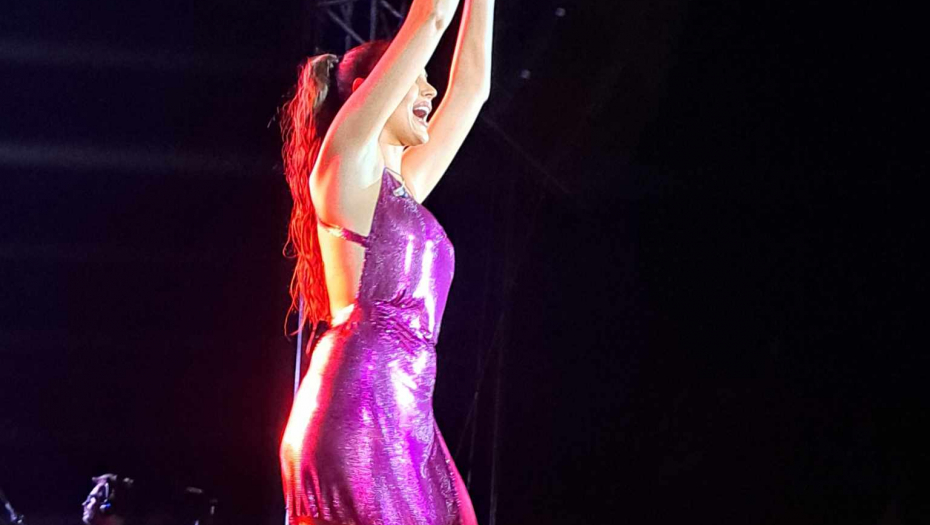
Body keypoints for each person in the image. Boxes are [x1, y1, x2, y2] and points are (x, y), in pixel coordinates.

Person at [277, 0, 493, 523]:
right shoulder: (345, 167)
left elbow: (472, 89)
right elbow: (431, 18)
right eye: (418, 79)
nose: (430, 93)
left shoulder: (404, 189)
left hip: (407, 414)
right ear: (369, 93)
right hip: (361, 409)